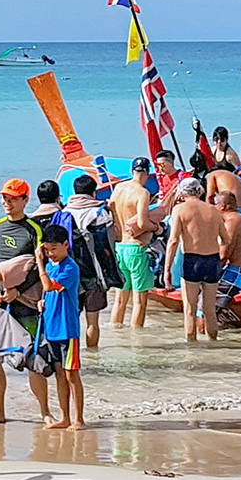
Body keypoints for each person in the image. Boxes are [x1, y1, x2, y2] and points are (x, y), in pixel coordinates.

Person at [0, 178, 53, 425]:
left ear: (25, 199)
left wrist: (19, 290)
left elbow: (41, 266)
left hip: (28, 305)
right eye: (4, 198)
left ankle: (45, 412)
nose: (7, 203)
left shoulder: (34, 228)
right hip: (0, 304)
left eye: (13, 198)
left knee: (33, 358)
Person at [164, 178, 229, 342]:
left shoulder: (179, 209)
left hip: (192, 260)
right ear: (199, 190)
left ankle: (192, 349)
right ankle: (213, 345)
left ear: (182, 192)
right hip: (212, 261)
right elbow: (226, 239)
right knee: (210, 310)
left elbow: (173, 241)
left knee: (190, 310)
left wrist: (167, 270)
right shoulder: (213, 210)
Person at [35, 224, 86, 430]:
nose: (50, 253)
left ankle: (79, 419)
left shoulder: (70, 268)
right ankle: (64, 417)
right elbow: (46, 291)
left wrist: (39, 262)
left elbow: (49, 285)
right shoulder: (50, 266)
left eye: (54, 249)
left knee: (71, 374)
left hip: (68, 328)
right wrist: (41, 301)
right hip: (52, 327)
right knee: (59, 373)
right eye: (47, 249)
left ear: (66, 245)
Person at [61, 174, 116, 349]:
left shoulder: (63, 213)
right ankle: (93, 356)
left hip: (69, 273)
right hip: (94, 273)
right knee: (93, 322)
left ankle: (72, 359)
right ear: (93, 193)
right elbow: (112, 239)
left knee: (72, 320)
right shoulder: (98, 213)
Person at [109, 157, 157, 328]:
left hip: (119, 246)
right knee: (139, 301)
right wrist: (156, 227)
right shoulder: (142, 193)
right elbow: (142, 223)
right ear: (148, 173)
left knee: (120, 300)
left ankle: (116, 333)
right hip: (135, 248)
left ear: (132, 172)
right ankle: (138, 343)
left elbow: (111, 212)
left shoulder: (118, 188)